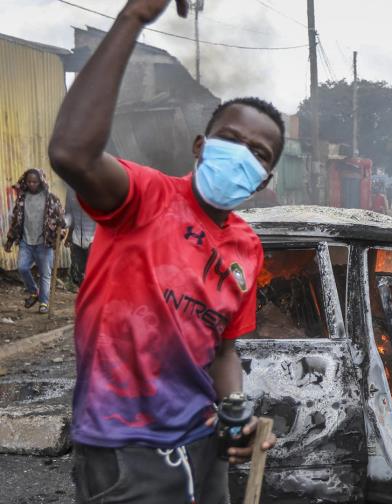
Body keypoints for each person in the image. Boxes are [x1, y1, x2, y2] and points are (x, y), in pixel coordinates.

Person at [47, 1, 277, 502]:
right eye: (231, 139)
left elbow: (224, 348)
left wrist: (236, 410)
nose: (242, 154)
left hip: (203, 445)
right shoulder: (144, 197)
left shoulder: (246, 248)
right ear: (200, 146)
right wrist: (133, 18)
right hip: (123, 450)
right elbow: (71, 154)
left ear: (266, 178)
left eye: (259, 153)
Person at [4, 168, 67, 314]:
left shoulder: (51, 199)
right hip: (26, 242)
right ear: (25, 182)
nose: (32, 184)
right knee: (22, 268)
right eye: (29, 181)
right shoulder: (22, 198)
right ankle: (34, 291)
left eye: (35, 181)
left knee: (45, 274)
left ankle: (44, 302)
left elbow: (62, 221)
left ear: (41, 182)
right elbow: (16, 221)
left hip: (44, 243)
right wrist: (10, 240)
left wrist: (61, 231)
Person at [64, 183, 97, 287]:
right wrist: (64, 224)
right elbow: (69, 215)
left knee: (93, 269)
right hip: (77, 237)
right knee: (78, 272)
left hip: (94, 238)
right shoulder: (70, 192)